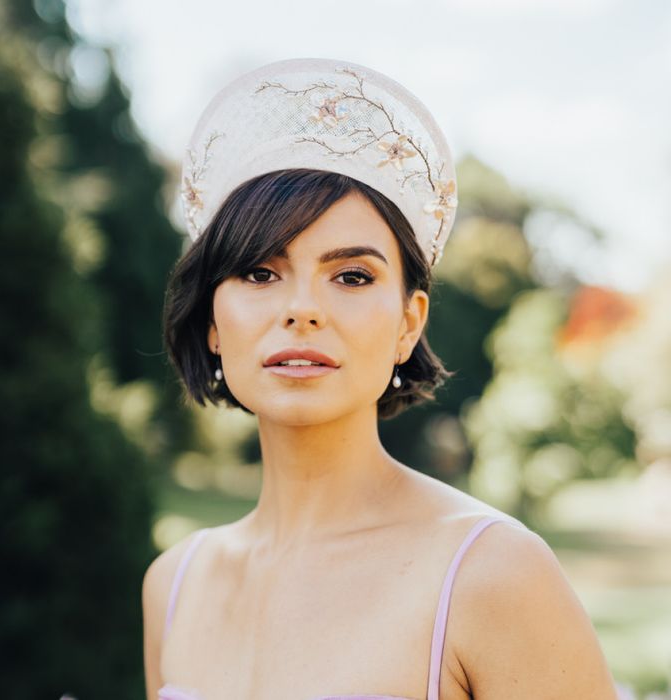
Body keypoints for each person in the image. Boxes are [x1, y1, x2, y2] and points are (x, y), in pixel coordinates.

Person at [142, 58, 620, 700]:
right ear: (212, 322)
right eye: (259, 273)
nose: (301, 308)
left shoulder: (491, 573)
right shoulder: (173, 584)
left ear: (407, 323)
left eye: (351, 276)